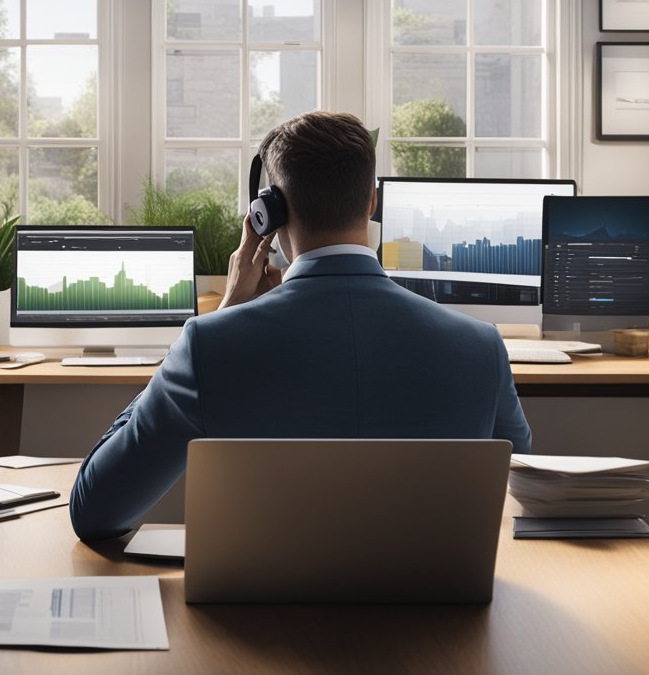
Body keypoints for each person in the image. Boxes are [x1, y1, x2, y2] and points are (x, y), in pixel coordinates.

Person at [69, 111, 532, 542]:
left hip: (256, 622)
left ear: (270, 212)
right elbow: (525, 483)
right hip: (446, 622)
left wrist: (225, 312)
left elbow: (97, 512)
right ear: (372, 200)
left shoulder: (210, 344)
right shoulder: (481, 346)